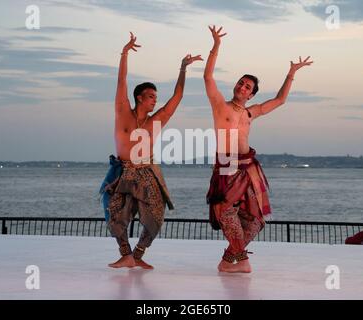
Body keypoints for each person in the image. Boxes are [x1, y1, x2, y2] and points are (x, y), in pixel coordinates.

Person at [204, 25, 313, 273]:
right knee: (226, 213)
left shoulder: (250, 112)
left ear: (251, 95)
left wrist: (291, 72)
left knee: (255, 220)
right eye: (241, 83)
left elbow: (280, 100)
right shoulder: (221, 106)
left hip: (248, 167)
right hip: (227, 165)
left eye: (247, 87)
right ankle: (241, 259)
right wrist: (216, 45)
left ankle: (229, 259)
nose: (242, 87)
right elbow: (208, 77)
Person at [100, 32, 202, 269]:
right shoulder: (122, 111)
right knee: (114, 213)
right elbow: (121, 82)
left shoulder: (156, 121)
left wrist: (183, 68)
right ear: (139, 97)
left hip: (146, 171)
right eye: (150, 96)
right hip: (121, 171)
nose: (155, 100)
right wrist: (124, 53)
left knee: (156, 217)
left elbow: (177, 97)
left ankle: (138, 254)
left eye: (156, 97)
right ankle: (125, 254)